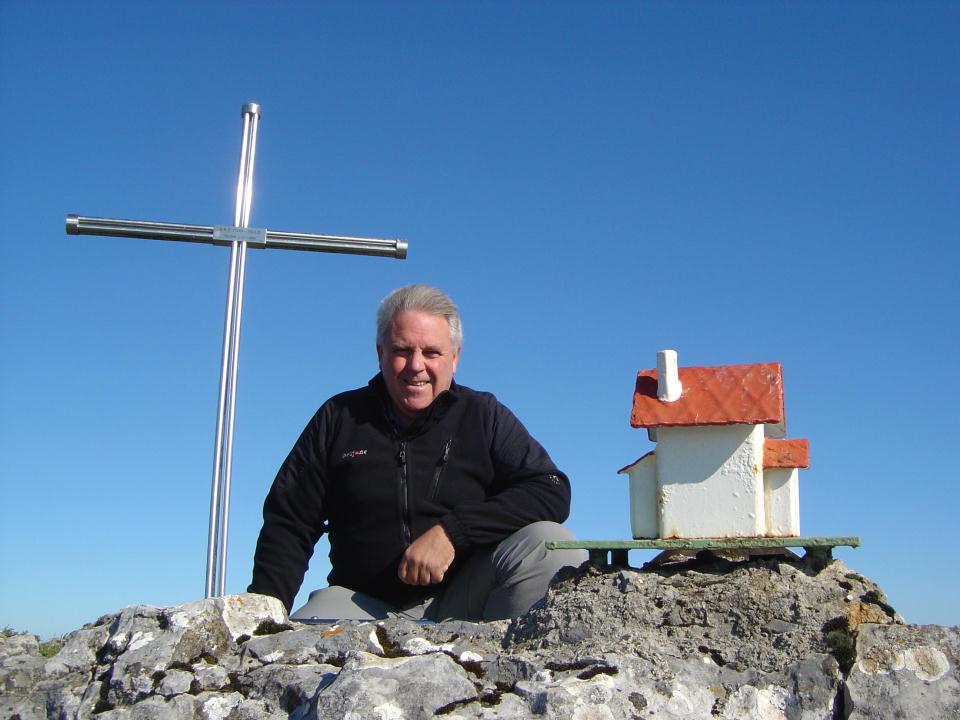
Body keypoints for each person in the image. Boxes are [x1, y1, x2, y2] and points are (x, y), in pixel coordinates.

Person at [248, 284, 585, 622]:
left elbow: (550, 489)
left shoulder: (483, 415)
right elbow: (289, 522)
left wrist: (452, 532)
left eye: (432, 352)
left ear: (455, 358)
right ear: (380, 353)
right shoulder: (338, 417)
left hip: (465, 603)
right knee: (297, 651)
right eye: (402, 350)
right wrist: (262, 616)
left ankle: (516, 667)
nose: (416, 366)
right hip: (361, 607)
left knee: (550, 544)